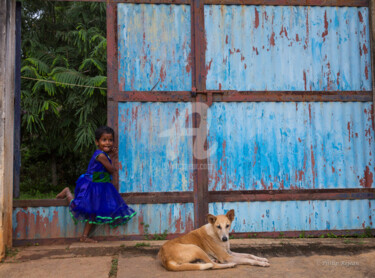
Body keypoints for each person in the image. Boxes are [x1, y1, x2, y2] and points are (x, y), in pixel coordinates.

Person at [56, 126, 136, 242]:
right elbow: (111, 169)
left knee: (93, 211)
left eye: (110, 140)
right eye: (104, 140)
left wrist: (111, 156)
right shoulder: (101, 155)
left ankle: (84, 237)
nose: (108, 143)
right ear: (97, 142)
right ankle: (67, 192)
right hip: (92, 185)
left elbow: (108, 167)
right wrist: (114, 157)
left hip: (100, 185)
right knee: (79, 207)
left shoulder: (105, 155)